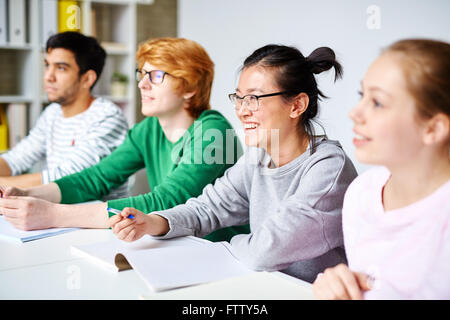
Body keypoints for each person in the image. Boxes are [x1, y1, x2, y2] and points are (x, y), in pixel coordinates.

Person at [108, 44, 358, 283]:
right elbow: (208, 208)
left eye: (253, 99)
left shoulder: (327, 168)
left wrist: (231, 244)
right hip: (262, 286)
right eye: (239, 99)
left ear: (297, 105)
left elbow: (265, 251)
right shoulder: (258, 158)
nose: (241, 110)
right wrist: (154, 222)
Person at [0, 37, 249, 242]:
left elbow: (167, 201)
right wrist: (28, 193)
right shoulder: (148, 129)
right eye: (142, 74)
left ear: (190, 87)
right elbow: (96, 178)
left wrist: (54, 215)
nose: (142, 84)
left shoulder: (215, 133)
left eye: (156, 75)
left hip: (219, 253)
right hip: (178, 246)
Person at [312, 39, 450, 299]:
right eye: (361, 96)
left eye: (377, 103)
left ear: (433, 128)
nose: (355, 113)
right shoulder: (362, 193)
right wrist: (339, 287)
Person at [0, 31, 129, 199]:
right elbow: (16, 158)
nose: (48, 77)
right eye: (47, 65)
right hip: (56, 213)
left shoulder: (108, 117)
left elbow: (67, 178)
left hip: (99, 220)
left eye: (61, 68)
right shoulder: (52, 113)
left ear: (87, 78)